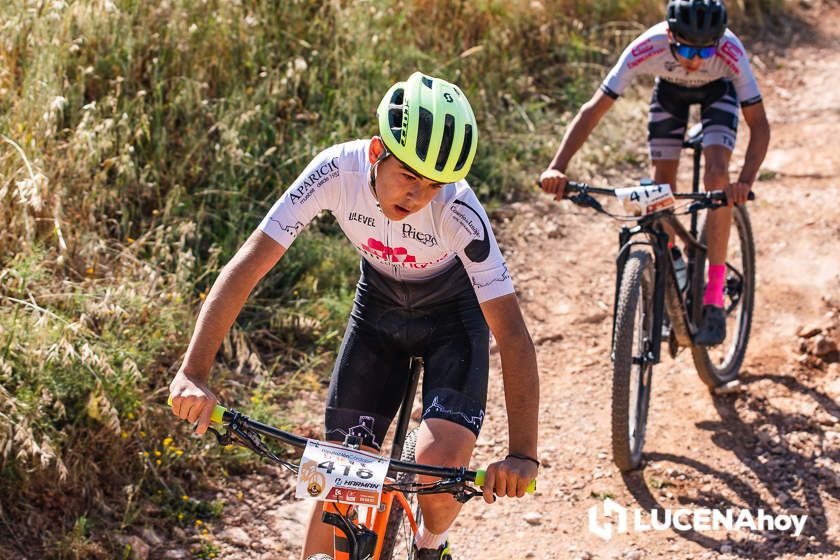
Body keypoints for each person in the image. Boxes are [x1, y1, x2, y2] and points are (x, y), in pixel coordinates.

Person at [168, 71, 540, 560]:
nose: (417, 195)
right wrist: (193, 372)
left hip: (453, 322)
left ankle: (432, 542)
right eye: (408, 176)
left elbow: (510, 332)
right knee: (338, 476)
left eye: (433, 185)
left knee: (438, 472)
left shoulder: (458, 210)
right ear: (374, 151)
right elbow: (250, 262)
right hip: (379, 316)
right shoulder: (333, 172)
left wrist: (522, 454)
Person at [539, 0, 770, 345]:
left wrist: (745, 183)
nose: (694, 61)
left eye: (706, 51)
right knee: (661, 184)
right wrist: (558, 166)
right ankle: (674, 261)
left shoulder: (731, 51)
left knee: (717, 177)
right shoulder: (647, 46)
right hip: (670, 96)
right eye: (686, 49)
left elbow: (760, 125)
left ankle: (714, 294)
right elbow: (593, 110)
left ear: (718, 42)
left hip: (718, 93)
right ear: (669, 36)